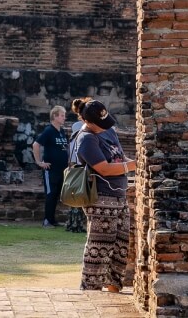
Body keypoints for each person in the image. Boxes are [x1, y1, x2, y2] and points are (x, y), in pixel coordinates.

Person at [72, 99, 135, 293]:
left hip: (118, 193)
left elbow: (119, 156)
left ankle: (113, 284)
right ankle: (91, 288)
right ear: (87, 122)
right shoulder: (86, 138)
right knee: (100, 243)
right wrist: (134, 166)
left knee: (121, 242)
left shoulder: (108, 131)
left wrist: (131, 163)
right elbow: (104, 169)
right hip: (100, 195)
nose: (104, 127)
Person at [32, 106, 69, 227]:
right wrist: (39, 162)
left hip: (62, 169)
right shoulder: (49, 131)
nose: (64, 118)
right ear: (55, 116)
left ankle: (52, 220)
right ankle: (47, 220)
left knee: (57, 194)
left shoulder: (61, 131)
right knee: (50, 194)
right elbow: (36, 145)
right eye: (62, 115)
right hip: (50, 169)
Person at [64, 97, 92, 233]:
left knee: (77, 194)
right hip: (82, 163)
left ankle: (75, 224)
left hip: (77, 162)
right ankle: (76, 224)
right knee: (80, 194)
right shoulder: (81, 126)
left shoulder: (77, 126)